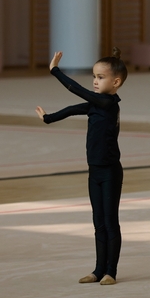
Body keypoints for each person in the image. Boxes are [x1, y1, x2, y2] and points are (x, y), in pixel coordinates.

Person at [36, 49, 127, 285]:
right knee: (98, 222)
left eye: (101, 77)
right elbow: (71, 109)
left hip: (109, 172)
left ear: (116, 82)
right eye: (94, 77)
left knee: (109, 221)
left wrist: (55, 71)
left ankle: (111, 271)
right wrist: (49, 118)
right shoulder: (95, 105)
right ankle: (98, 270)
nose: (95, 81)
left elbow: (75, 89)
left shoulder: (107, 104)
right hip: (94, 171)